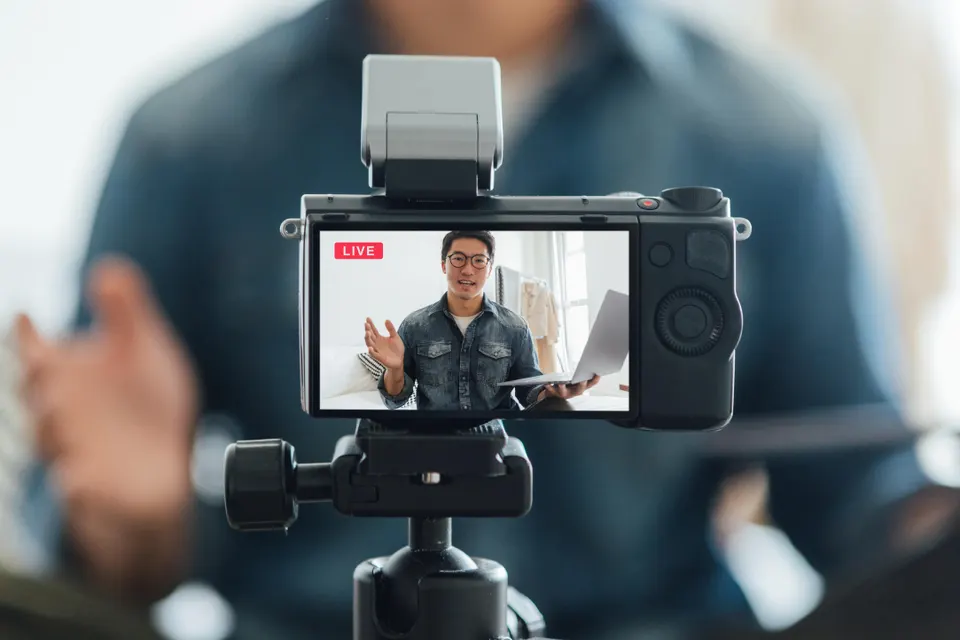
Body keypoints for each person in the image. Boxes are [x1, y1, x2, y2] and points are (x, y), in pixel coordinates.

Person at [13, 0, 951, 638]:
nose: (465, 262)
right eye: (453, 258)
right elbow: (97, 548)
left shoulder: (770, 131)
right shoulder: (190, 137)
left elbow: (859, 497)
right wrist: (139, 522)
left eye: (475, 259)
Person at [366, 230, 599, 411]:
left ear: (488, 270)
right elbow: (395, 402)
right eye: (458, 259)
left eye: (478, 261)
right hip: (436, 434)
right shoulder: (414, 326)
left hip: (497, 434)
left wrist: (551, 394)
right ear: (443, 265)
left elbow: (528, 391)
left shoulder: (515, 328)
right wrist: (394, 368)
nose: (467, 270)